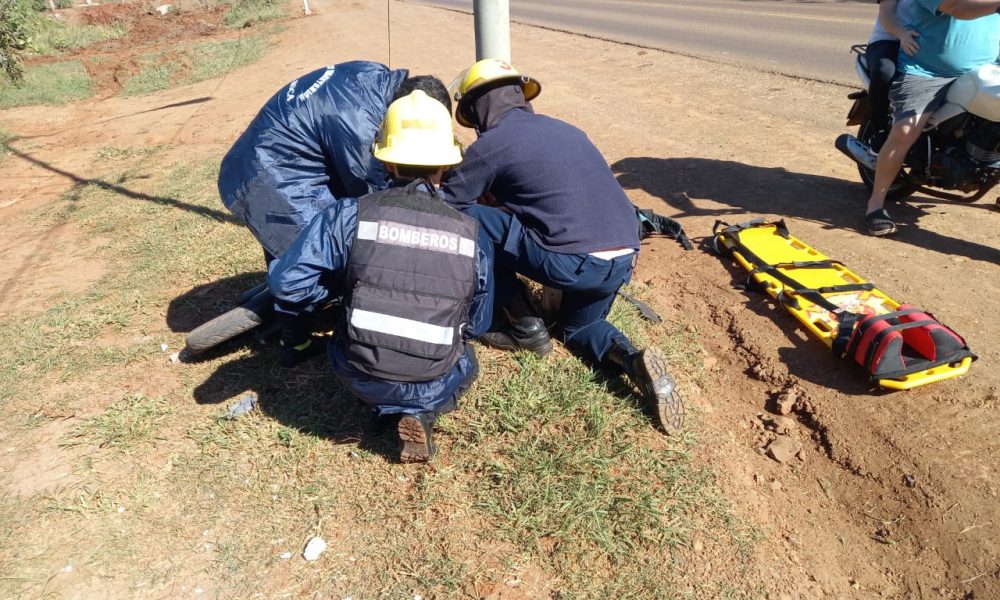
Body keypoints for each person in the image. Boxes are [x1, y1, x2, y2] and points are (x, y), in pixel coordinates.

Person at [440, 59, 685, 434]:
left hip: (571, 262)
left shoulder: (492, 144)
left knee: (471, 219)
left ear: (476, 108)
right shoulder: (569, 130)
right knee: (578, 328)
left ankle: (523, 325)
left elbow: (451, 204)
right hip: (622, 257)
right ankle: (633, 360)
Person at [267, 91, 493, 463]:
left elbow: (288, 284)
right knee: (468, 361)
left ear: (386, 162)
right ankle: (420, 411)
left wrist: (342, 289)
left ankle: (379, 406)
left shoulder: (347, 216)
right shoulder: (472, 232)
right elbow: (478, 325)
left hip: (359, 371)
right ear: (447, 163)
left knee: (353, 340)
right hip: (434, 375)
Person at [218, 61, 451, 260]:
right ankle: (295, 309)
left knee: (309, 247)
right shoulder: (362, 127)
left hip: (271, 155)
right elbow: (375, 198)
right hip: (266, 173)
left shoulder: (376, 76)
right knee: (312, 254)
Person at [863, 0, 1000, 236]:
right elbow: (955, 7)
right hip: (929, 70)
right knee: (906, 130)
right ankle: (875, 205)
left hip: (985, 67)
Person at [866, 0, 919, 149]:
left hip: (925, 43)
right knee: (885, 70)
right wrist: (902, 34)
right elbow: (886, 15)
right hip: (889, 39)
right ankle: (878, 130)